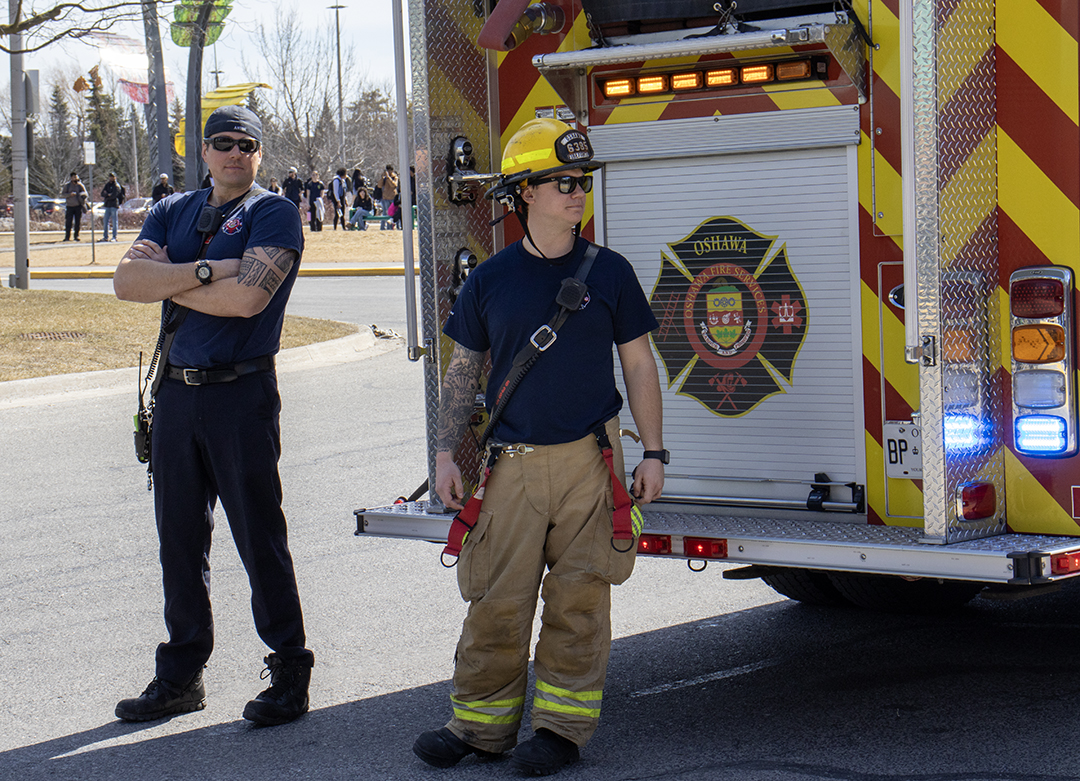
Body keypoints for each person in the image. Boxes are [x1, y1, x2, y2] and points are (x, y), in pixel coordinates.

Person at [412, 118, 666, 775]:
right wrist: (444, 454)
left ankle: (559, 731)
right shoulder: (490, 280)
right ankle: (477, 727)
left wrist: (655, 454)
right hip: (512, 468)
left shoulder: (611, 273)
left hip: (592, 461)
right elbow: (462, 371)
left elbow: (639, 365)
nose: (578, 192)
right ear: (525, 192)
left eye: (582, 180)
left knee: (580, 601)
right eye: (563, 181)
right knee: (495, 598)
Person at [112, 105, 314, 727]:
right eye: (221, 142)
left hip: (240, 396)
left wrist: (168, 279)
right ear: (203, 151)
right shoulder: (173, 209)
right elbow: (125, 283)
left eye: (245, 144)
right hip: (175, 394)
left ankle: (288, 672)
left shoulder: (272, 212)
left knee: (259, 536)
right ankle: (179, 677)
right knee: (178, 538)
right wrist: (205, 270)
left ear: (258, 154)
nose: (233, 152)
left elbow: (248, 298)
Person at [61, 172, 88, 241]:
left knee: (77, 222)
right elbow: (63, 194)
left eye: (76, 177)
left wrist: (82, 196)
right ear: (71, 178)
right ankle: (67, 237)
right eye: (74, 177)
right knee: (68, 222)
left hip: (78, 206)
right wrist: (70, 194)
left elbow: (86, 194)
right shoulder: (67, 186)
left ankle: (76, 236)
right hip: (70, 206)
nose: (75, 178)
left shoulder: (80, 186)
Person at [101, 172, 126, 242]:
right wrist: (107, 195)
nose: (111, 178)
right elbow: (102, 193)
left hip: (114, 205)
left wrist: (108, 196)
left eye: (113, 177)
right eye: (110, 177)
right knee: (105, 221)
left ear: (115, 177)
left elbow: (114, 195)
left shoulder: (117, 186)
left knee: (114, 222)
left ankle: (114, 236)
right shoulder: (107, 185)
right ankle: (105, 237)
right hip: (107, 205)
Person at [378, 164, 398, 230]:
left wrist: (388, 178)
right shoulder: (384, 178)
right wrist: (382, 178)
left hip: (392, 198)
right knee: (385, 213)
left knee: (393, 213)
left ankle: (391, 227)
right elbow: (379, 186)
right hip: (385, 198)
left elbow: (394, 185)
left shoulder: (394, 177)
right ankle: (382, 227)